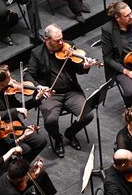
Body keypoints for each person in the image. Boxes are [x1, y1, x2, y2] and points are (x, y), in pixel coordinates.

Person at [24, 23, 94, 158]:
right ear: (47, 40)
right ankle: (58, 139)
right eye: (57, 40)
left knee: (88, 115)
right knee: (50, 121)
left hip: (71, 91)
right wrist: (38, 87)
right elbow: (28, 75)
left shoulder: (69, 46)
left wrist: (85, 66)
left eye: (62, 38)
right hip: (50, 94)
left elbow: (79, 70)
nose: (62, 42)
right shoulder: (37, 53)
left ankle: (70, 133)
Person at [0, 64, 48, 162]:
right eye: (8, 77)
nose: (12, 79)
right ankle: (17, 170)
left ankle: (22, 165)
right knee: (26, 149)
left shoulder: (7, 89)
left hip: (15, 125)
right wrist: (15, 110)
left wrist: (37, 97)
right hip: (2, 132)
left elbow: (20, 106)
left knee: (41, 141)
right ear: (0, 82)